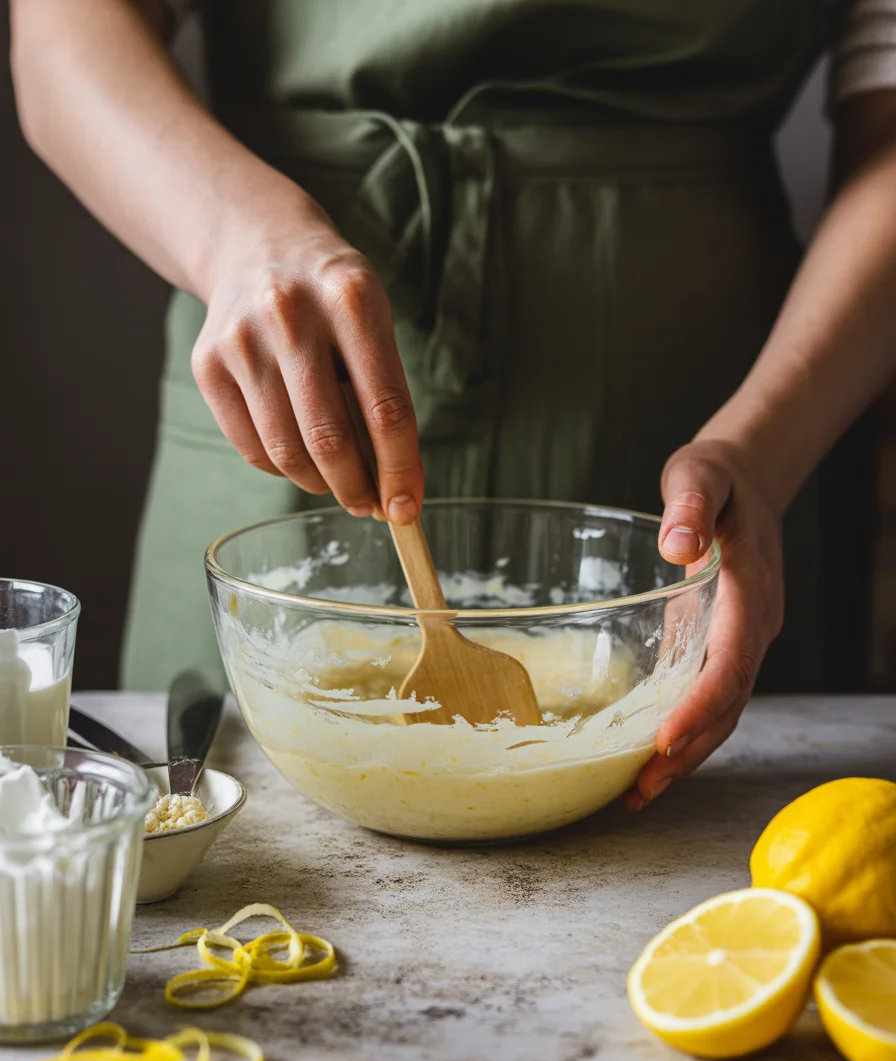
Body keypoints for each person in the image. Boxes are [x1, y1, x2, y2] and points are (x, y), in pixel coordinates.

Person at [10, 1, 896, 810]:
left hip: (722, 388)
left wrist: (763, 453)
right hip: (286, 351)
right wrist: (238, 238)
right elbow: (63, 30)